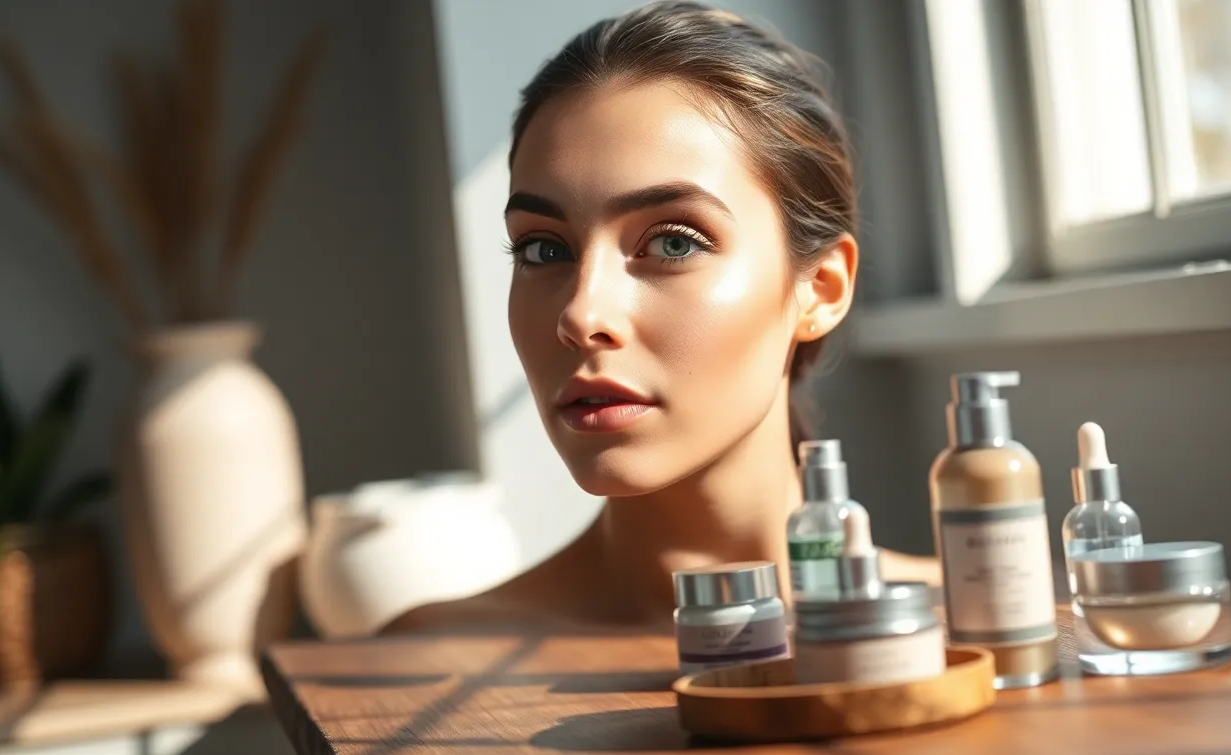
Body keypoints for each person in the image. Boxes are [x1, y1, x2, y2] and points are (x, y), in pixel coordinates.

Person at [384, 0, 938, 633]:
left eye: (674, 242)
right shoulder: (433, 656)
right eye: (544, 249)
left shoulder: (974, 628)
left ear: (821, 288)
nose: (581, 313)